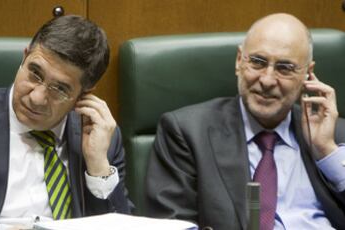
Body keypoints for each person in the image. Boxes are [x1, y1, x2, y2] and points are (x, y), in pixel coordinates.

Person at [145, 13, 345, 230]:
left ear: (308, 73)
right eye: (258, 62)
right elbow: (172, 224)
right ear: (239, 61)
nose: (267, 80)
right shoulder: (187, 132)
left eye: (284, 68)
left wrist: (326, 151)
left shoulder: (334, 136)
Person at [0, 15, 131, 229]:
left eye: (60, 89)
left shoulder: (99, 139)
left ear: (83, 95)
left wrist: (98, 166)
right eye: (35, 73)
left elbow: (121, 225)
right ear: (24, 57)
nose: (36, 98)